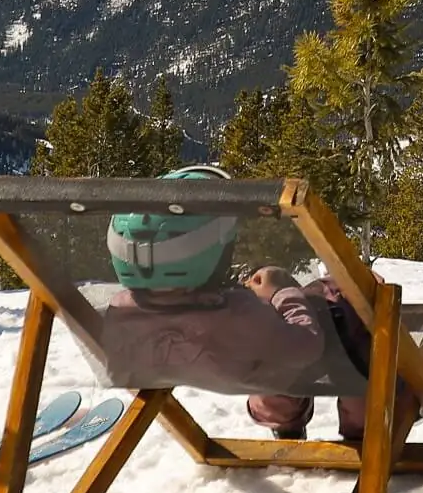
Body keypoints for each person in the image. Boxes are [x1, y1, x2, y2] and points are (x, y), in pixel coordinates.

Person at [101, 166, 371, 441]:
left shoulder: (121, 312)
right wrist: (283, 292)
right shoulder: (239, 313)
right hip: (275, 362)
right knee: (342, 300)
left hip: (221, 370)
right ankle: (361, 427)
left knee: (267, 356)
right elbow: (307, 346)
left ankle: (283, 420)